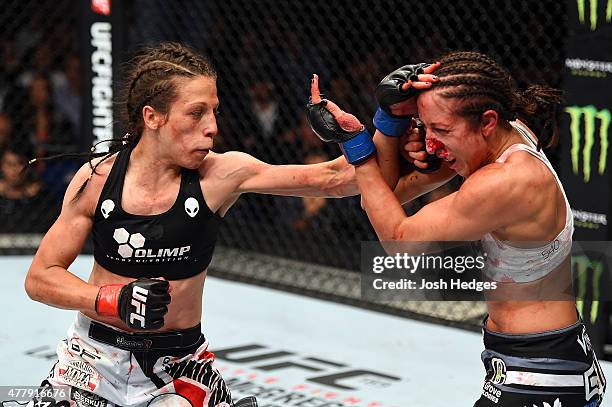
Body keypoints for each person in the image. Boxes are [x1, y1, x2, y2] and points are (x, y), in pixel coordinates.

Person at [23, 42, 442, 407]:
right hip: (93, 357)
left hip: (179, 365)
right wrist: (108, 299)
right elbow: (40, 278)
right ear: (152, 117)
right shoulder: (97, 180)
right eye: (196, 113)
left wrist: (388, 120)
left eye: (214, 111)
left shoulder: (222, 175)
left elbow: (341, 180)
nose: (212, 128)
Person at [307, 51, 606, 406]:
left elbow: (399, 242)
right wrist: (388, 121)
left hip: (541, 374)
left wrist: (356, 143)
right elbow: (385, 196)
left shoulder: (506, 181)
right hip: (543, 357)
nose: (431, 142)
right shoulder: (508, 137)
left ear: (487, 121)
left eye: (441, 130)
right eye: (424, 126)